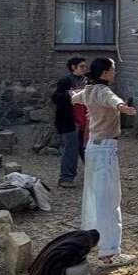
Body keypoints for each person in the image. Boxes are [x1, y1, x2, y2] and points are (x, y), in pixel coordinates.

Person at [71, 58, 137, 268]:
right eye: (112, 70)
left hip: (93, 147)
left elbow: (76, 98)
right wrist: (122, 107)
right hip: (105, 148)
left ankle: (90, 241)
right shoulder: (101, 91)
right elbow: (111, 99)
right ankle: (109, 252)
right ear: (104, 73)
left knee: (94, 197)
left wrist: (71, 95)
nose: (115, 72)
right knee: (109, 200)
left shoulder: (89, 90)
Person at [51, 54, 88, 188]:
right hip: (70, 122)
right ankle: (66, 178)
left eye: (85, 66)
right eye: (82, 66)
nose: (84, 68)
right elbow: (55, 98)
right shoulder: (65, 81)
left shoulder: (87, 81)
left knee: (87, 150)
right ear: (73, 67)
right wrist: (68, 94)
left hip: (85, 121)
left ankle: (96, 176)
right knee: (70, 150)